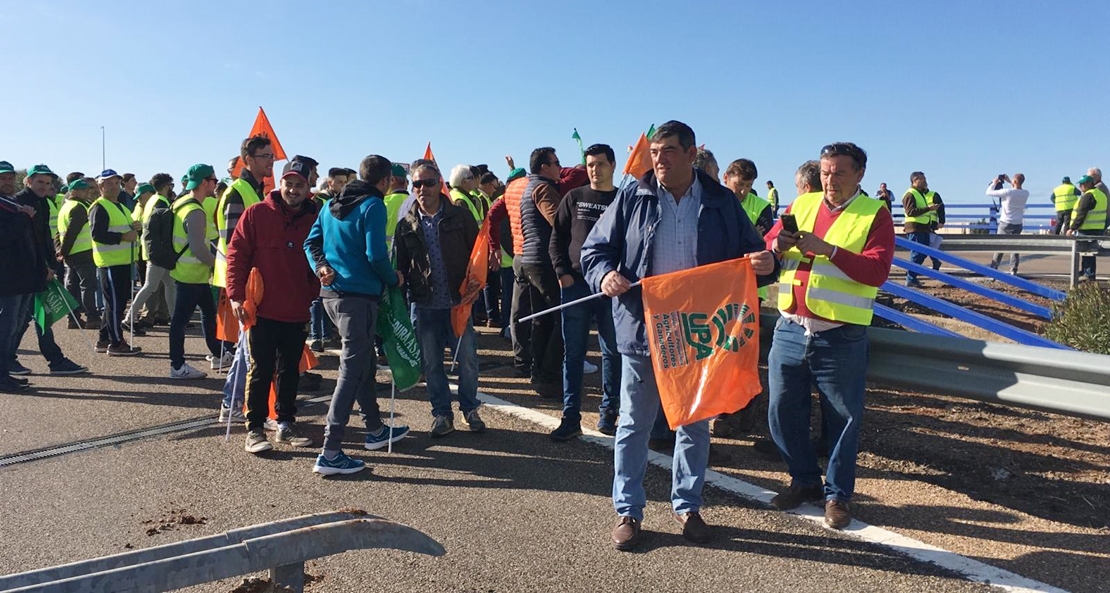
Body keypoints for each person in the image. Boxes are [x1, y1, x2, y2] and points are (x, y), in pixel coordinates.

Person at [581, 121, 777, 551]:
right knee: (634, 422)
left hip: (698, 333)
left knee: (694, 424)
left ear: (692, 154)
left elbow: (755, 256)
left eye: (669, 150)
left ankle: (687, 506)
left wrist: (767, 264)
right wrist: (606, 276)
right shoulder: (632, 196)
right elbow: (594, 251)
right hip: (641, 327)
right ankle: (628, 511)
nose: (659, 159)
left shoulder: (722, 201)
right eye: (654, 151)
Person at [764, 142, 894, 530]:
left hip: (839, 334)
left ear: (859, 175)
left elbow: (877, 271)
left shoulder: (875, 213)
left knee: (843, 420)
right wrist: (775, 245)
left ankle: (837, 495)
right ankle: (804, 480)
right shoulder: (801, 204)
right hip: (790, 328)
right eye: (824, 172)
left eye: (838, 172)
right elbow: (769, 248)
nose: (829, 179)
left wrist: (829, 251)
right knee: (781, 411)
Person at [304, 155, 411, 475]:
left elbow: (312, 243)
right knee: (351, 370)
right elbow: (376, 254)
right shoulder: (373, 205)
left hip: (331, 297)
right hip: (358, 297)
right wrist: (394, 278)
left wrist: (320, 266)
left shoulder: (331, 203)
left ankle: (375, 429)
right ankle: (331, 449)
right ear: (386, 181)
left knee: (362, 363)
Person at [228, 159, 320, 454]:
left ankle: (285, 423)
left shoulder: (315, 218)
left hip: (296, 309)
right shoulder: (256, 214)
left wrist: (311, 291)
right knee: (261, 369)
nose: (293, 190)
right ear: (280, 184)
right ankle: (254, 429)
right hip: (262, 309)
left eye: (299, 185)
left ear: (308, 188)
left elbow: (321, 257)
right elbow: (237, 255)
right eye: (289, 183)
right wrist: (236, 295)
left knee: (290, 369)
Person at [394, 160, 487, 438]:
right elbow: (400, 266)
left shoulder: (460, 216)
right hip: (424, 306)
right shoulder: (406, 224)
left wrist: (476, 286)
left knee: (467, 360)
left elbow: (477, 254)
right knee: (432, 365)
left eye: (428, 183)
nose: (422, 189)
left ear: (440, 184)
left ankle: (470, 408)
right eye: (417, 184)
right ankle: (441, 414)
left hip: (458, 304)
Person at [548, 143, 622, 440]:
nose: (594, 169)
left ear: (613, 165)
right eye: (590, 164)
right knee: (573, 353)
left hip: (611, 288)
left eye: (600, 164)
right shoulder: (574, 197)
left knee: (613, 351)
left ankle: (609, 413)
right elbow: (557, 238)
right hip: (575, 285)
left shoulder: (623, 199)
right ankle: (570, 417)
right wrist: (562, 273)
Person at [10, 164, 89, 376]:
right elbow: (26, 241)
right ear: (28, 181)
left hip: (41, 268)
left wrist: (51, 263)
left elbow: (45, 235)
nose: (45, 186)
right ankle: (16, 359)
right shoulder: (19, 202)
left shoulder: (43, 202)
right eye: (40, 182)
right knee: (23, 318)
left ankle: (51, 359)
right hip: (26, 271)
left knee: (34, 316)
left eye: (48, 183)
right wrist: (43, 266)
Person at [168, 165, 224, 379]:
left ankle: (219, 353)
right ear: (204, 183)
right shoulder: (195, 210)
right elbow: (198, 248)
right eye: (213, 179)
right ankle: (177, 366)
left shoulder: (181, 202)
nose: (215, 183)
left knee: (210, 314)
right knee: (180, 321)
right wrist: (219, 266)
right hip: (190, 274)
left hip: (189, 273)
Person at [518, 147, 565, 395]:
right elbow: (559, 221)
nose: (560, 167)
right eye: (556, 162)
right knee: (563, 318)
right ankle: (549, 375)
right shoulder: (544, 188)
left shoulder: (529, 187)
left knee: (542, 319)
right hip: (545, 260)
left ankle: (539, 373)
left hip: (530, 259)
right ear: (544, 167)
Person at [0, 161, 43, 392]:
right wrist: (23, 217)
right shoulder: (10, 208)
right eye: (2, 178)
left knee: (14, 326)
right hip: (6, 279)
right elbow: (4, 238)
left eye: (9, 178)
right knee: (5, 327)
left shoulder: (12, 203)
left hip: (21, 276)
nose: (7, 182)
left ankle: (5, 372)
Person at [89, 169, 142, 356]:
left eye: (116, 183)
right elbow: (97, 234)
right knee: (114, 304)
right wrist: (123, 236)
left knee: (117, 303)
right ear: (101, 186)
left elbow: (127, 231)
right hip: (110, 263)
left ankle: (104, 339)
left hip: (123, 262)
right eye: (109, 183)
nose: (114, 186)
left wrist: (136, 227)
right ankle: (116, 343)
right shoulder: (100, 206)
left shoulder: (120, 206)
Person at [125, 173, 177, 329]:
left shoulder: (152, 201)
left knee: (169, 284)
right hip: (159, 252)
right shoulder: (160, 202)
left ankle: (175, 318)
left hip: (152, 250)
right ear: (167, 186)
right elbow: (165, 230)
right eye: (171, 186)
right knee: (150, 286)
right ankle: (129, 318)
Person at [57, 178, 100, 330]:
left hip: (71, 254)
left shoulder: (65, 206)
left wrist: (60, 250)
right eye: (84, 190)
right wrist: (63, 251)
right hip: (82, 252)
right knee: (87, 286)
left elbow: (59, 232)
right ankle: (92, 317)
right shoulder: (79, 207)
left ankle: (73, 318)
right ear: (73, 191)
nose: (87, 192)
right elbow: (71, 232)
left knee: (72, 286)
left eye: (87, 189)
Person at [901, 172, 943, 287]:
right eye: (922, 179)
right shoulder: (910, 194)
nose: (925, 181)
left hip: (923, 227)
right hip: (915, 228)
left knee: (922, 253)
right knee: (917, 254)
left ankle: (912, 277)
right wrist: (928, 209)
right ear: (915, 180)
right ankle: (910, 278)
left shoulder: (920, 194)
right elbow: (910, 211)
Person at [986, 174, 1030, 274]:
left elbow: (988, 192)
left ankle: (994, 268)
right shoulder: (1026, 193)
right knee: (1015, 247)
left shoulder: (1007, 192)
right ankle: (1013, 269)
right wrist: (1010, 181)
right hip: (1018, 223)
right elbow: (1016, 189)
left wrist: (994, 182)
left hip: (1005, 222)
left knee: (1000, 246)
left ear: (1014, 181)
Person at [1066, 175, 1107, 282]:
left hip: (1087, 228)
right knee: (1087, 251)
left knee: (1087, 251)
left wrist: (1072, 228)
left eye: (1082, 184)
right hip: (1098, 227)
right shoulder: (1101, 195)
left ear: (1089, 184)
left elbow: (1081, 213)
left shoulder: (1089, 195)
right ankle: (1085, 271)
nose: (1080, 186)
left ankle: (1088, 274)